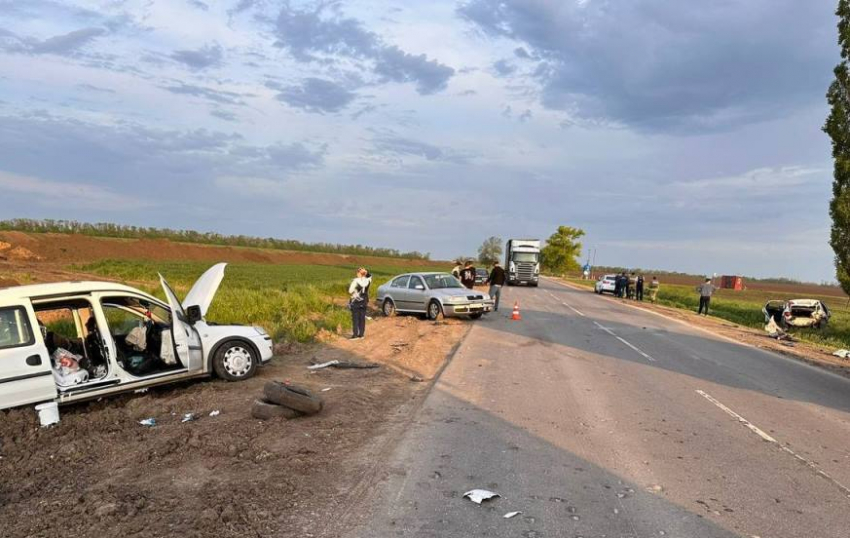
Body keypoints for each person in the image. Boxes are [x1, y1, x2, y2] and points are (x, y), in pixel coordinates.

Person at [348, 267, 372, 339]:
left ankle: (355, 335)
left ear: (359, 273)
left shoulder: (355, 281)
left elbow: (350, 291)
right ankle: (361, 335)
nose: (356, 273)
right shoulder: (368, 280)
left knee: (355, 318)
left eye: (357, 272)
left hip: (356, 301)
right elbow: (370, 276)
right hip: (364, 301)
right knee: (362, 318)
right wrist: (366, 272)